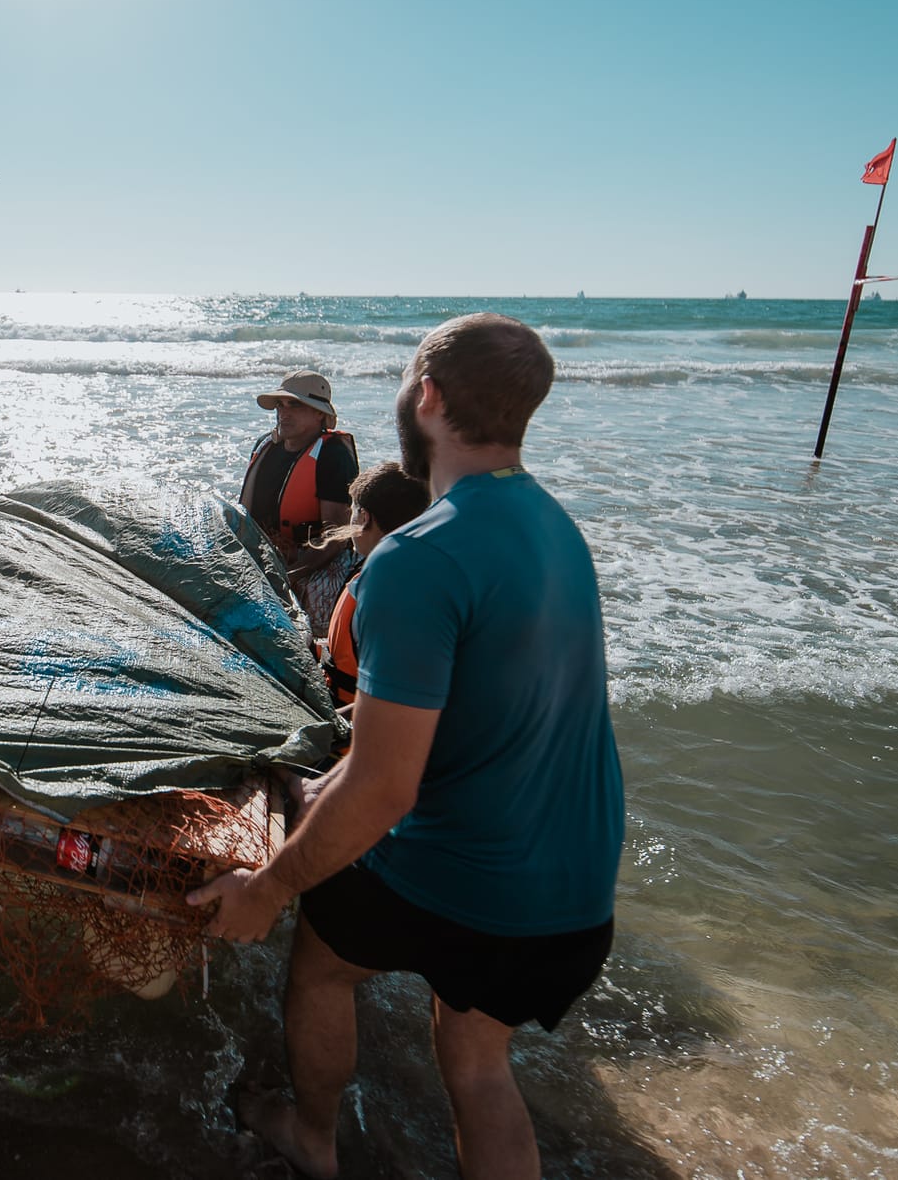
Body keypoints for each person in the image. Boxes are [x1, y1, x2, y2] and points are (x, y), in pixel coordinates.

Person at [190, 314, 625, 1180]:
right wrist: (337, 778)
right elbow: (462, 718)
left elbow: (387, 789)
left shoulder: (415, 554)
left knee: (322, 963)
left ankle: (312, 1137)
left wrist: (267, 888)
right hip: (576, 894)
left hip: (471, 879)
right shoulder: (559, 530)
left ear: (426, 395)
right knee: (474, 1055)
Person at [314, 461, 431, 732]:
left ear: (364, 517)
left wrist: (324, 729)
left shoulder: (380, 593)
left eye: (353, 510)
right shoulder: (414, 572)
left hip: (356, 734)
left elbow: (393, 697)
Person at [237, 370, 360, 627]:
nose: (283, 412)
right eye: (280, 404)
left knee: (310, 619)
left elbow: (335, 537)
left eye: (294, 404)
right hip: (265, 553)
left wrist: (290, 575)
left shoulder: (332, 455)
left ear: (319, 414)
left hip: (314, 560)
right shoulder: (265, 445)